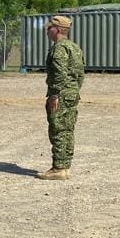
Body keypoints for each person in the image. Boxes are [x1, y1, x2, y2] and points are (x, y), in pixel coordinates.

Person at [39, 15, 85, 181]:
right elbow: (80, 74)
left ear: (57, 30)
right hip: (72, 93)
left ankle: (58, 168)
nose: (47, 30)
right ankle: (64, 167)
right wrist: (74, 90)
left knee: (58, 130)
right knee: (67, 130)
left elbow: (59, 73)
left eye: (49, 28)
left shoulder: (59, 48)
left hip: (61, 95)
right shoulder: (74, 47)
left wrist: (55, 94)